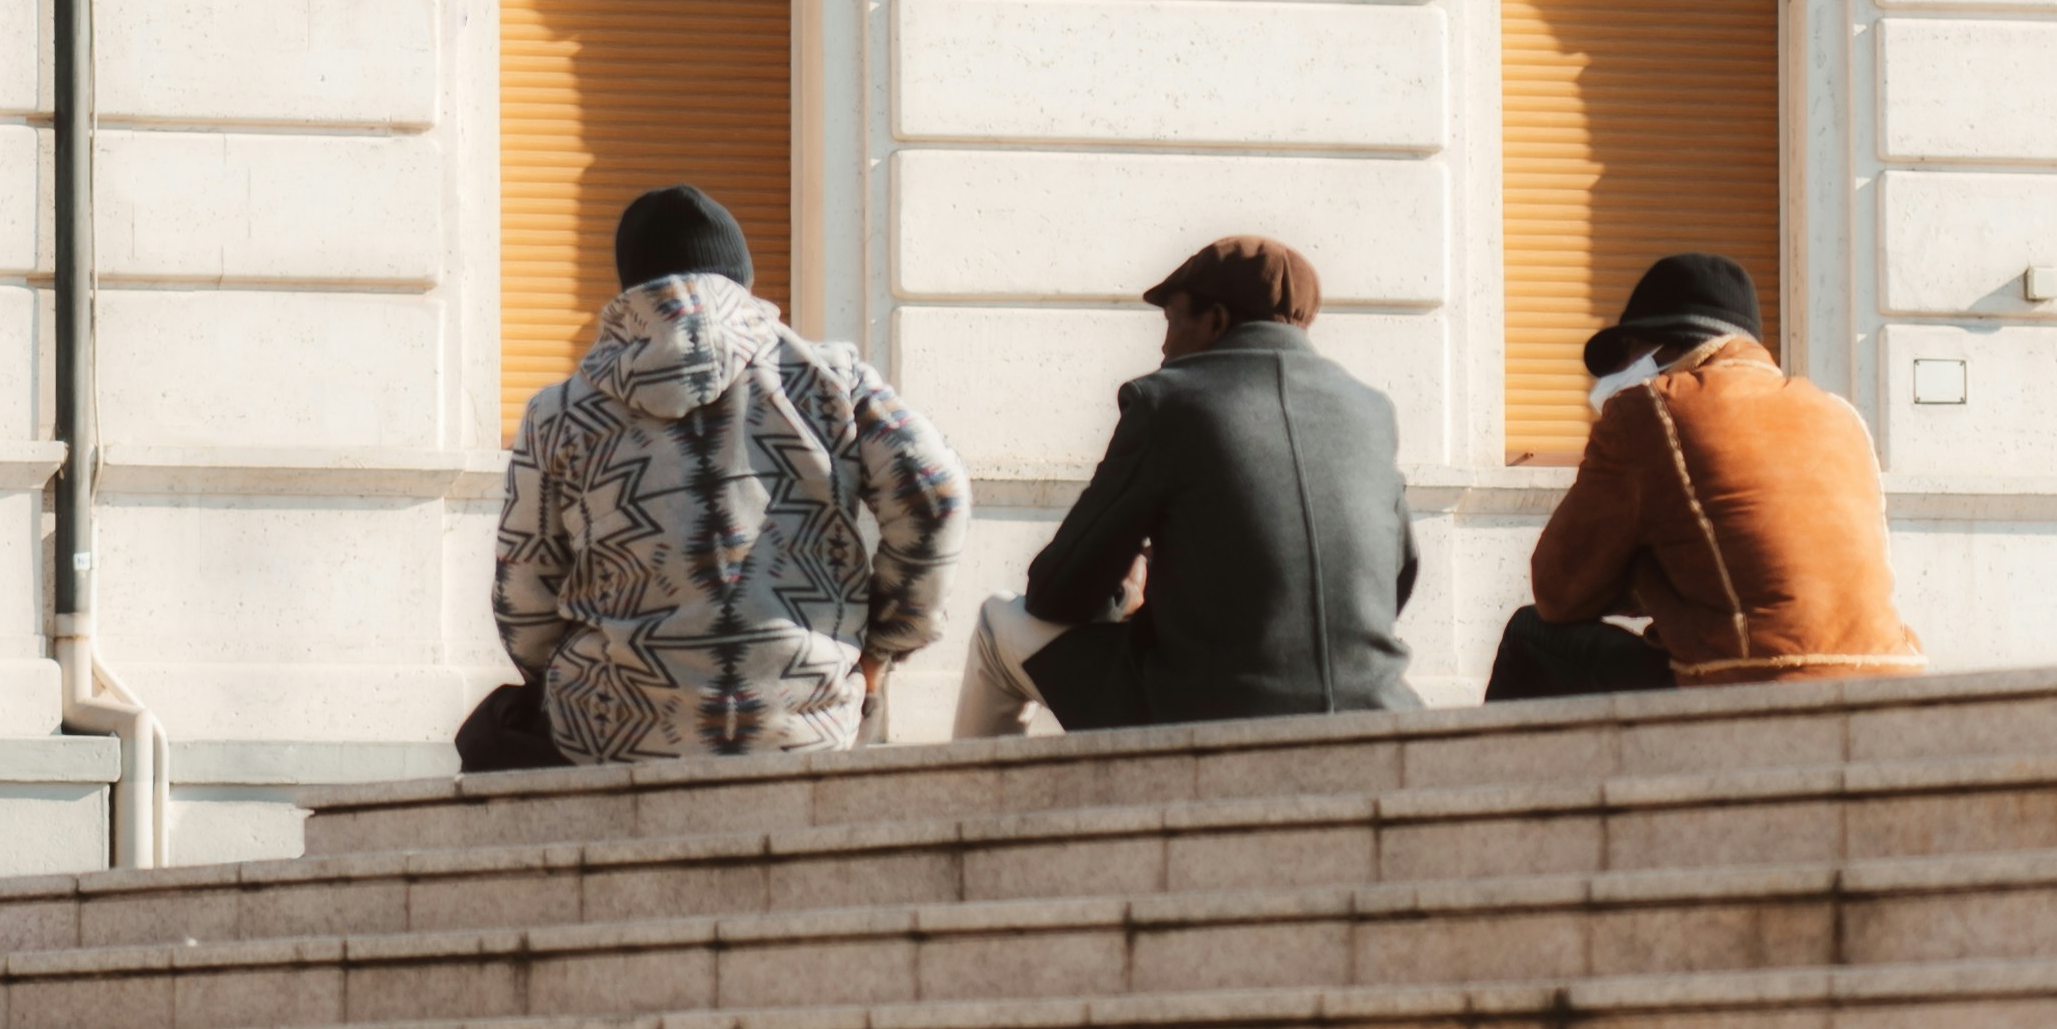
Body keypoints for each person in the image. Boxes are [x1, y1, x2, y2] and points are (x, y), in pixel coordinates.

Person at [460, 180, 962, 771]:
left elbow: (525, 597)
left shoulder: (560, 412)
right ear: (741, 281)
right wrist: (882, 649)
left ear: (630, 288)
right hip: (806, 725)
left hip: (611, 737)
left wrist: (574, 679)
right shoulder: (833, 380)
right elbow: (934, 494)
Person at [953, 235, 1418, 739]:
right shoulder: (1372, 410)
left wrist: (1128, 594)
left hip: (1212, 714)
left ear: (1215, 320)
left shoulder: (1169, 402)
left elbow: (1057, 593)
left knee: (996, 625)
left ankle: (967, 814)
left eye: (1172, 320)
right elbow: (1400, 576)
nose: (1163, 345)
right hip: (1379, 709)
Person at [1484, 251, 1918, 707]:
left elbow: (1558, 590)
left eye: (1627, 354)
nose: (1619, 375)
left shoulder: (1653, 411)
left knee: (1529, 634)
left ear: (1659, 347)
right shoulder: (1838, 415)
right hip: (1889, 684)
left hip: (1748, 684)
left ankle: (1474, 780)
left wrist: (1644, 575)